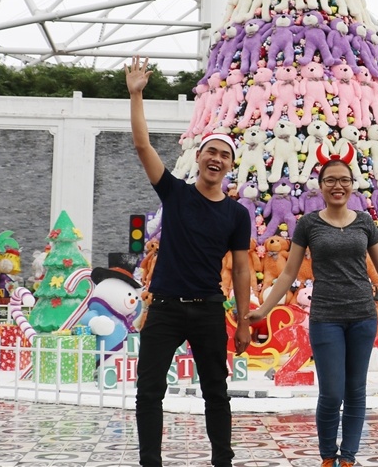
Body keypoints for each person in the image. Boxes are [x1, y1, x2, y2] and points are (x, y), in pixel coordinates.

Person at [246, 147, 378, 467]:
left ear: (352, 184)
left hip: (362, 316)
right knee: (331, 392)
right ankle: (328, 456)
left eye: (344, 180)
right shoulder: (309, 224)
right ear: (320, 185)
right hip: (326, 317)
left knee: (356, 390)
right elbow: (288, 273)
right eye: (330, 180)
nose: (337, 186)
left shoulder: (364, 223)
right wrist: (264, 309)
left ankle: (348, 458)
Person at [125, 55, 253, 467]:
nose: (216, 159)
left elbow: (242, 268)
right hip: (164, 308)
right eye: (210, 151)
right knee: (149, 391)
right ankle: (150, 462)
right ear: (198, 157)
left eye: (224, 155)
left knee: (216, 391)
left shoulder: (236, 214)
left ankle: (222, 461)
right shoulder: (175, 193)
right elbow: (143, 146)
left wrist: (244, 320)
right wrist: (136, 95)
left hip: (208, 310)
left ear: (230, 165)